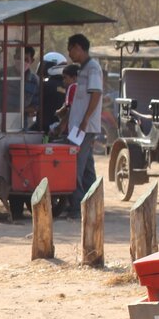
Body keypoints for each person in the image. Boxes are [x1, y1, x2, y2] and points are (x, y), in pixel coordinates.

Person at [65, 33, 104, 219]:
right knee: (87, 168)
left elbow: (96, 94)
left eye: (70, 49)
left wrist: (85, 120)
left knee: (75, 167)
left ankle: (77, 208)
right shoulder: (83, 69)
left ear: (78, 48)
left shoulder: (93, 68)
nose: (69, 54)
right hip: (80, 127)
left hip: (84, 128)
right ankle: (93, 205)